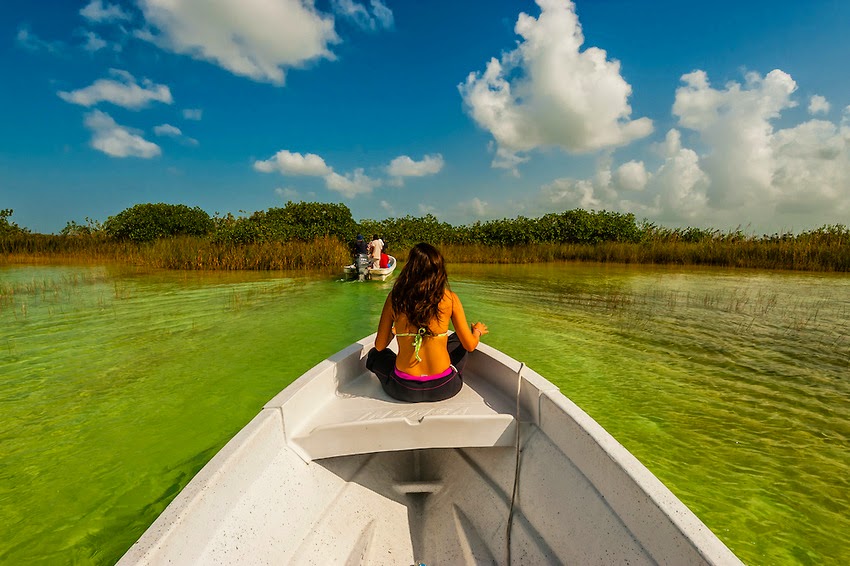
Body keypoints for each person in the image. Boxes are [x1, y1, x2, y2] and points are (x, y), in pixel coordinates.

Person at [366, 242, 489, 402]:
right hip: (445, 386)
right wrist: (477, 332)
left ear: (409, 269)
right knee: (459, 339)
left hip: (404, 389)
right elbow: (470, 345)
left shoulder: (395, 298)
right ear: (439, 271)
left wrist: (395, 331)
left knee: (375, 355)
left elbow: (380, 346)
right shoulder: (450, 298)